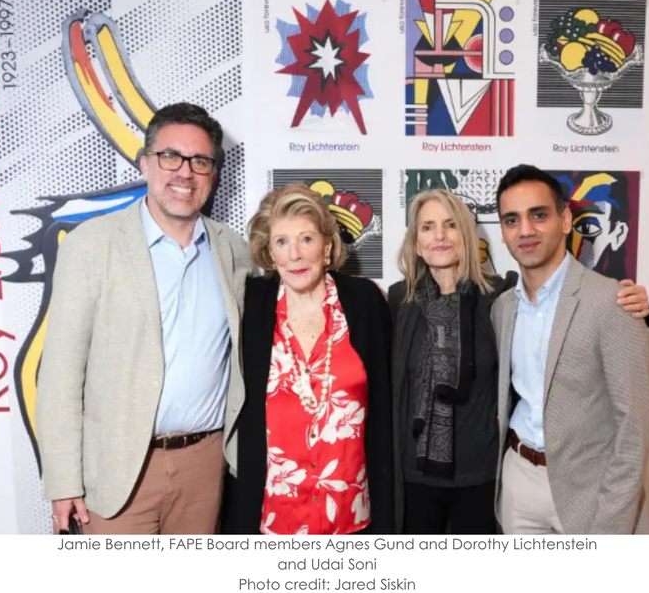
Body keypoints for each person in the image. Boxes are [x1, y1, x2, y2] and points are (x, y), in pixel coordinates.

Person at [36, 102, 251, 534]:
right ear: (145, 163)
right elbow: (60, 374)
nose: (185, 173)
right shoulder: (91, 245)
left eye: (200, 161)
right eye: (170, 156)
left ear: (213, 174)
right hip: (117, 469)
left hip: (204, 465)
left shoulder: (234, 250)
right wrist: (62, 481)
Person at [388, 188, 649, 535]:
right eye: (427, 227)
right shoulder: (398, 301)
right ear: (416, 243)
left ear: (465, 236)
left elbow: (556, 309)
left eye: (450, 225)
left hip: (482, 476)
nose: (439, 235)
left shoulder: (500, 296)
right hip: (415, 476)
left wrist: (638, 309)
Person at [222, 183, 394, 534]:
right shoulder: (250, 307)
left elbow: (386, 409)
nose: (295, 255)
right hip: (274, 516)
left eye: (306, 239)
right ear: (269, 253)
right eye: (281, 242)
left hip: (352, 514)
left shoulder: (365, 301)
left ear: (327, 247)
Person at [492, 164, 649, 534]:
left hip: (590, 491)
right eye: (512, 220)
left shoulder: (614, 300)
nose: (525, 230)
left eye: (538, 215)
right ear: (502, 231)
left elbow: (634, 429)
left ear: (565, 220)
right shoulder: (502, 308)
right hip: (517, 481)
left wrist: (612, 522)